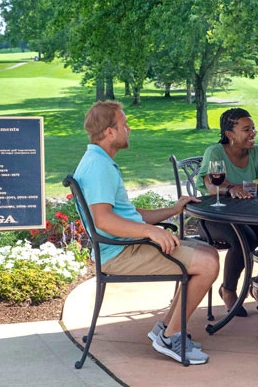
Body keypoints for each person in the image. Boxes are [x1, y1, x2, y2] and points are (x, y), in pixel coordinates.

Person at [74, 101, 220, 365]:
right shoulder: (99, 167)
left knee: (208, 252)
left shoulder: (99, 160)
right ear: (110, 132)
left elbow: (128, 215)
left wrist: (173, 209)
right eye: (124, 124)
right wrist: (150, 232)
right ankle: (173, 336)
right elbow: (103, 219)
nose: (129, 129)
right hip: (120, 253)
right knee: (207, 264)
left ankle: (165, 329)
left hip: (128, 244)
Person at [197, 107, 258, 316]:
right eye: (246, 129)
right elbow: (212, 187)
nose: (253, 133)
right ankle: (228, 290)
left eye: (254, 128)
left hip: (250, 216)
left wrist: (240, 188)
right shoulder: (215, 152)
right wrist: (231, 188)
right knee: (244, 238)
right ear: (230, 135)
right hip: (214, 217)